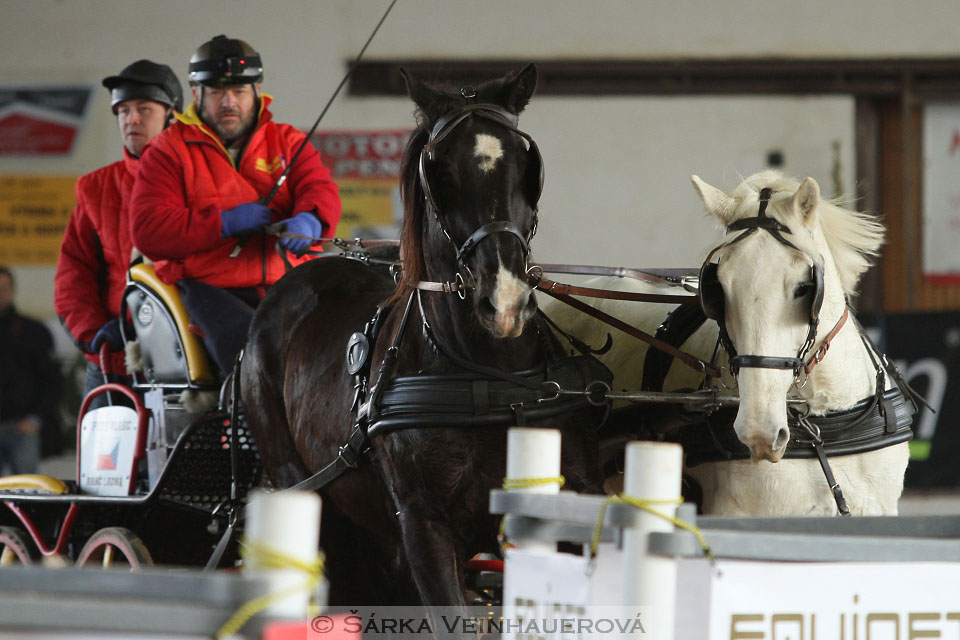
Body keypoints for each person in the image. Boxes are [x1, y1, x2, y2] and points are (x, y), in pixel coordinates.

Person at [129, 35, 341, 377]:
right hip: (208, 287)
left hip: (283, 281)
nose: (229, 102)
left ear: (257, 91)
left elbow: (319, 188)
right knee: (253, 353)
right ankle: (240, 427)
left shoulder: (288, 141)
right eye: (216, 92)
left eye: (239, 92)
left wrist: (311, 220)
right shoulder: (167, 151)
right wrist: (222, 223)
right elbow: (149, 230)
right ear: (196, 94)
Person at [55, 60, 183, 399]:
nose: (132, 119)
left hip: (190, 360)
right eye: (123, 110)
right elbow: (72, 279)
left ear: (173, 114)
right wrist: (97, 334)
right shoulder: (97, 189)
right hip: (113, 360)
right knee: (103, 452)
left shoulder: (198, 179)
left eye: (144, 108)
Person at [0, 267, 63, 474]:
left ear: (13, 290)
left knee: (25, 493)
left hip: (22, 428)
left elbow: (52, 380)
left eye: (4, 288)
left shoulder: (33, 332)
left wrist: (36, 417)